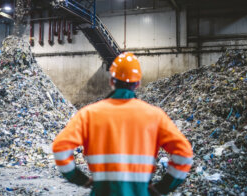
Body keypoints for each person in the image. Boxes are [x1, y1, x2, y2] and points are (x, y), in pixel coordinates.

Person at [52, 52, 193, 196]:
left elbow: (60, 148)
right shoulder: (155, 115)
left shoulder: (89, 114)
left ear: (111, 81)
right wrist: (163, 187)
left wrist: (79, 178)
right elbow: (184, 153)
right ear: (137, 83)